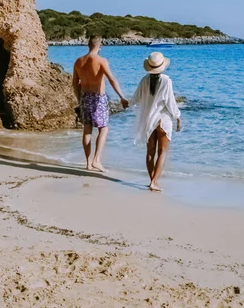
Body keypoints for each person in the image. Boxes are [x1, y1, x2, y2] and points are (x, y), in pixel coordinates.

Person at [72, 35, 129, 172]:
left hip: (85, 96)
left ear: (89, 45)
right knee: (103, 128)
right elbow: (112, 79)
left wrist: (79, 98)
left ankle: (88, 163)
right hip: (98, 98)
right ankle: (96, 160)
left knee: (87, 129)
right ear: (99, 46)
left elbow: (74, 83)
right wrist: (122, 97)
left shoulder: (78, 61)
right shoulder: (101, 60)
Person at [131, 51, 181, 192]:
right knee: (163, 152)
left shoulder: (144, 80)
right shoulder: (166, 81)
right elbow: (170, 102)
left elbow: (135, 99)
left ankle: (151, 180)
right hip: (163, 121)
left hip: (149, 121)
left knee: (150, 153)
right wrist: (177, 116)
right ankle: (154, 181)